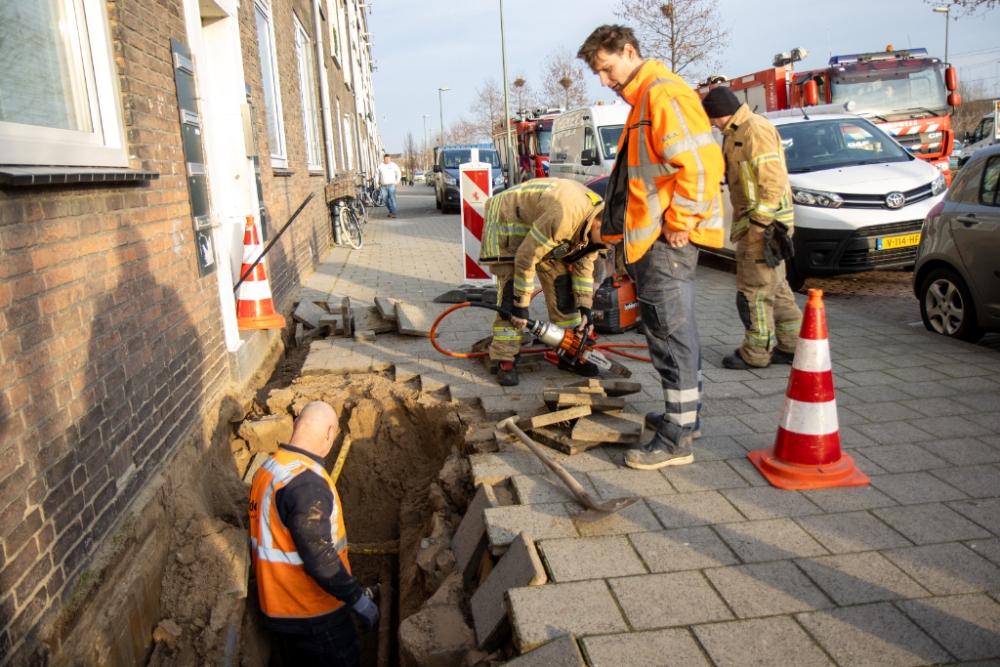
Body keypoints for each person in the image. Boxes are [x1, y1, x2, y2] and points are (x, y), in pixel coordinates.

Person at [578, 25, 725, 470]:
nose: (604, 81)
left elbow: (701, 164)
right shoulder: (646, 99)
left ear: (629, 51)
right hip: (653, 239)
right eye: (597, 74)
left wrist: (680, 221)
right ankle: (686, 416)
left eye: (607, 69)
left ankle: (676, 438)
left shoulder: (663, 95)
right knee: (676, 330)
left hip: (664, 240)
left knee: (668, 333)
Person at [248, 401, 379, 667]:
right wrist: (357, 600)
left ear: (297, 425)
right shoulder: (305, 483)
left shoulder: (270, 469)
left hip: (281, 607)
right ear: (330, 432)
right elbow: (320, 557)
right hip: (313, 614)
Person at [701, 86, 802, 370]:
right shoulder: (738, 131)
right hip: (766, 225)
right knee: (776, 287)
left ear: (722, 112)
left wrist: (759, 224)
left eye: (713, 118)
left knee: (753, 290)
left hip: (762, 228)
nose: (712, 124)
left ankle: (756, 353)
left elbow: (772, 180)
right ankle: (793, 346)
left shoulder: (752, 131)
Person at [479, 178, 605, 387]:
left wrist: (585, 308)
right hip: (508, 220)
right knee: (511, 295)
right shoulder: (564, 216)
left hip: (542, 228)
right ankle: (506, 360)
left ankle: (568, 353)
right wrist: (521, 306)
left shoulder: (598, 217)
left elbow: (584, 263)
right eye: (608, 240)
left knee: (562, 288)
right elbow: (526, 257)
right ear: (598, 225)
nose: (608, 245)